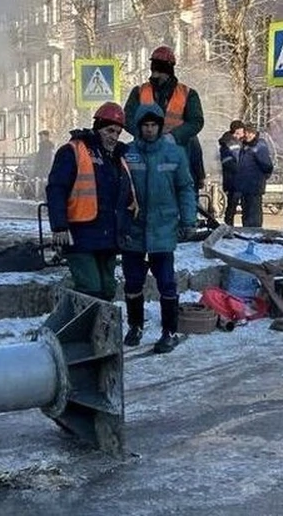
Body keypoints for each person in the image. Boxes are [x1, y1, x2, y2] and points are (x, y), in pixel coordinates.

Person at [119, 104, 198, 354]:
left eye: (154, 125)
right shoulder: (128, 154)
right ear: (139, 128)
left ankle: (169, 332)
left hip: (163, 230)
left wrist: (188, 220)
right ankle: (135, 326)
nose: (150, 129)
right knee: (132, 283)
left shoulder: (174, 154)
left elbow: (185, 188)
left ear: (160, 127)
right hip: (134, 230)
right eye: (145, 125)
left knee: (166, 283)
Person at [45, 103, 130, 302]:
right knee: (90, 289)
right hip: (80, 235)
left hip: (107, 236)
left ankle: (99, 331)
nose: (114, 136)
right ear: (97, 126)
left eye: (118, 132)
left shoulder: (117, 156)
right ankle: (78, 331)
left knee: (108, 289)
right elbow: (56, 189)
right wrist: (59, 226)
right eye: (109, 130)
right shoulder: (72, 150)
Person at [124, 45, 206, 190]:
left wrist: (174, 136)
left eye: (159, 71)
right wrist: (144, 134)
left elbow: (196, 122)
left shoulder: (187, 93)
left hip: (178, 151)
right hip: (146, 151)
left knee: (193, 143)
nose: (156, 76)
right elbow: (127, 118)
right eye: (154, 70)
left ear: (169, 71)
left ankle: (197, 179)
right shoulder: (139, 92)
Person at [226, 122, 274, 228]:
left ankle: (254, 234)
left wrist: (260, 178)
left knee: (254, 215)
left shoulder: (259, 146)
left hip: (254, 187)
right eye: (246, 132)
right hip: (244, 187)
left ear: (255, 133)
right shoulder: (244, 145)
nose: (248, 135)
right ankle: (248, 233)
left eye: (251, 133)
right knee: (246, 215)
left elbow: (267, 166)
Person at [218, 120, 247, 225]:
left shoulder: (239, 142)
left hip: (238, 179)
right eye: (240, 132)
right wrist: (241, 170)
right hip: (234, 180)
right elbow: (228, 162)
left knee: (238, 206)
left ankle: (231, 227)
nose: (242, 134)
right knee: (232, 206)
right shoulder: (228, 143)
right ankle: (228, 227)